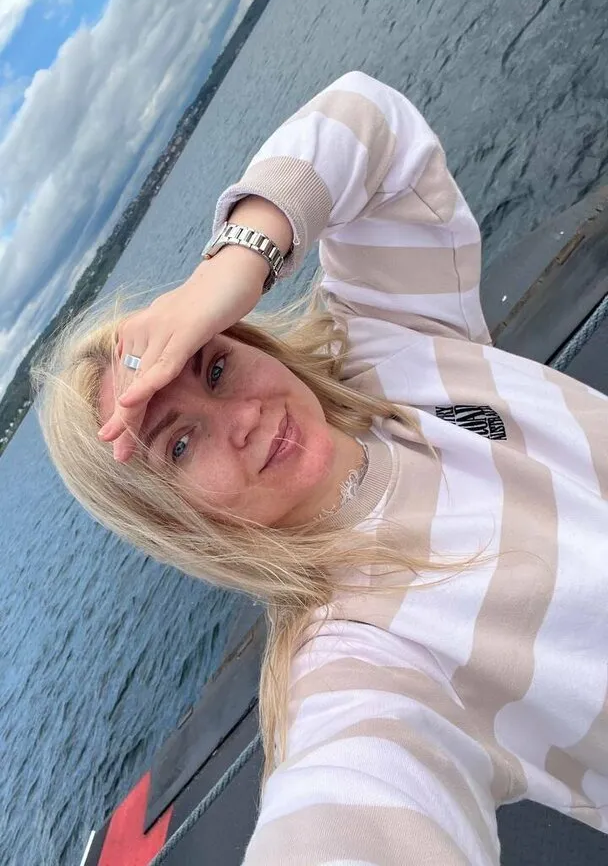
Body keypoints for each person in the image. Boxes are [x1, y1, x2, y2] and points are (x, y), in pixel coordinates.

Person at [32, 71, 608, 865]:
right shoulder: (354, 655)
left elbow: (368, 117)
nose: (240, 420)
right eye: (180, 444)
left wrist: (235, 260)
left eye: (216, 367)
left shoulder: (392, 346)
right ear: (175, 519)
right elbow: (351, 806)